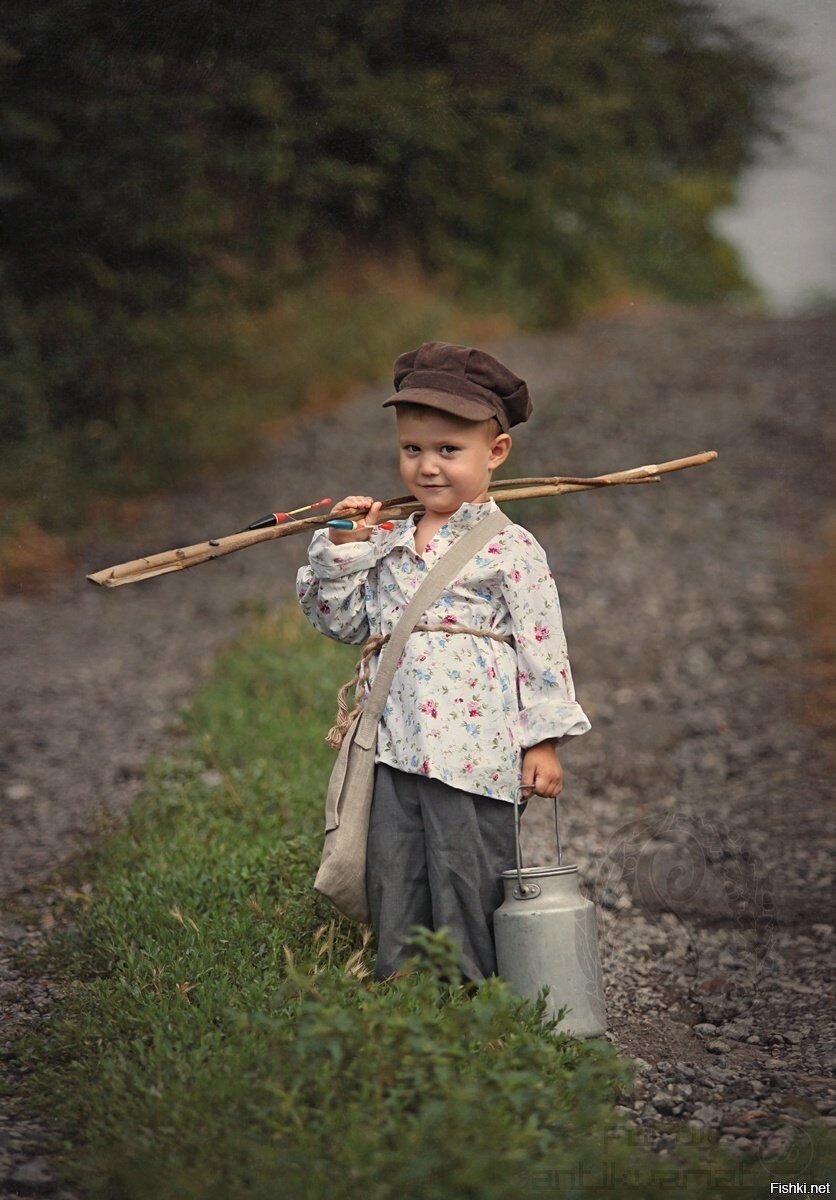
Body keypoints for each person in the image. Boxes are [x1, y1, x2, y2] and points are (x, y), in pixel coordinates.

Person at [296, 341, 591, 981]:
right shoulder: (391, 540)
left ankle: (478, 993)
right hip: (395, 743)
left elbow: (545, 650)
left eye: (448, 451)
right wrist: (346, 548)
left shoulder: (511, 548)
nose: (428, 467)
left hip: (475, 751)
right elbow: (343, 624)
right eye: (412, 450)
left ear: (497, 452)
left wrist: (543, 742)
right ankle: (402, 985)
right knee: (395, 869)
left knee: (468, 871)